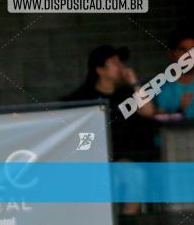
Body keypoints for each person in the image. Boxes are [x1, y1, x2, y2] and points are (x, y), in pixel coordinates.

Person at [62, 45, 158, 216]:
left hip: (124, 159)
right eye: (114, 63)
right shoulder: (82, 98)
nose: (121, 66)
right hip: (93, 162)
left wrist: (134, 82)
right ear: (100, 70)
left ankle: (129, 220)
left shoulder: (126, 94)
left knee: (134, 176)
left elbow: (148, 111)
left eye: (120, 62)